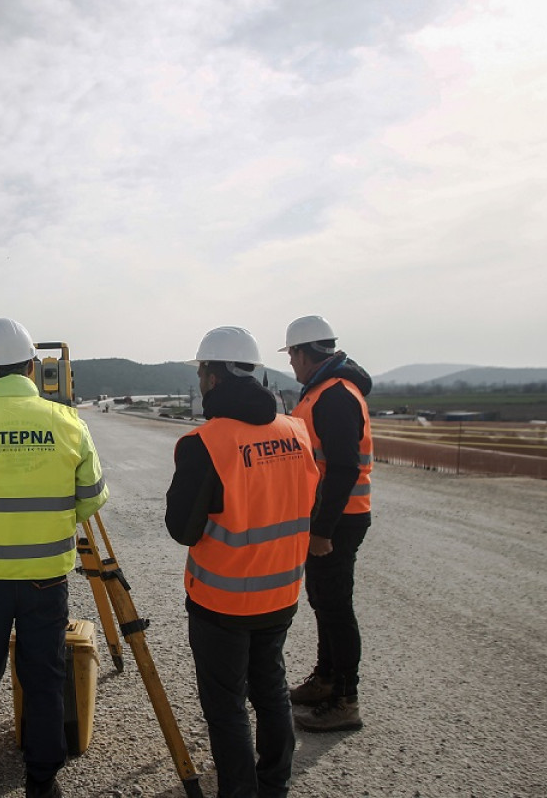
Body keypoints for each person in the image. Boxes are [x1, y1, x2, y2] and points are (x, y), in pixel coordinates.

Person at [0, 318, 109, 798]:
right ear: (32, 367)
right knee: (44, 672)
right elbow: (91, 497)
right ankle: (42, 778)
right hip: (46, 578)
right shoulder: (68, 423)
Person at [166, 326, 320, 798]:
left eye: (200, 371)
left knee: (226, 704)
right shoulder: (296, 430)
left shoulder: (205, 442)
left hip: (223, 600)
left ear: (212, 376)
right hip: (281, 594)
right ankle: (274, 783)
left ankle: (238, 792)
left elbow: (182, 529)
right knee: (270, 687)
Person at [280, 315, 373, 732]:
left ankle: (345, 699)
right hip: (328, 517)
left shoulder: (335, 395)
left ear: (303, 352)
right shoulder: (322, 391)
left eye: (292, 356)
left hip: (338, 520)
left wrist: (322, 530)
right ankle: (325, 679)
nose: (292, 365)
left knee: (335, 608)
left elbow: (342, 468)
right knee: (324, 602)